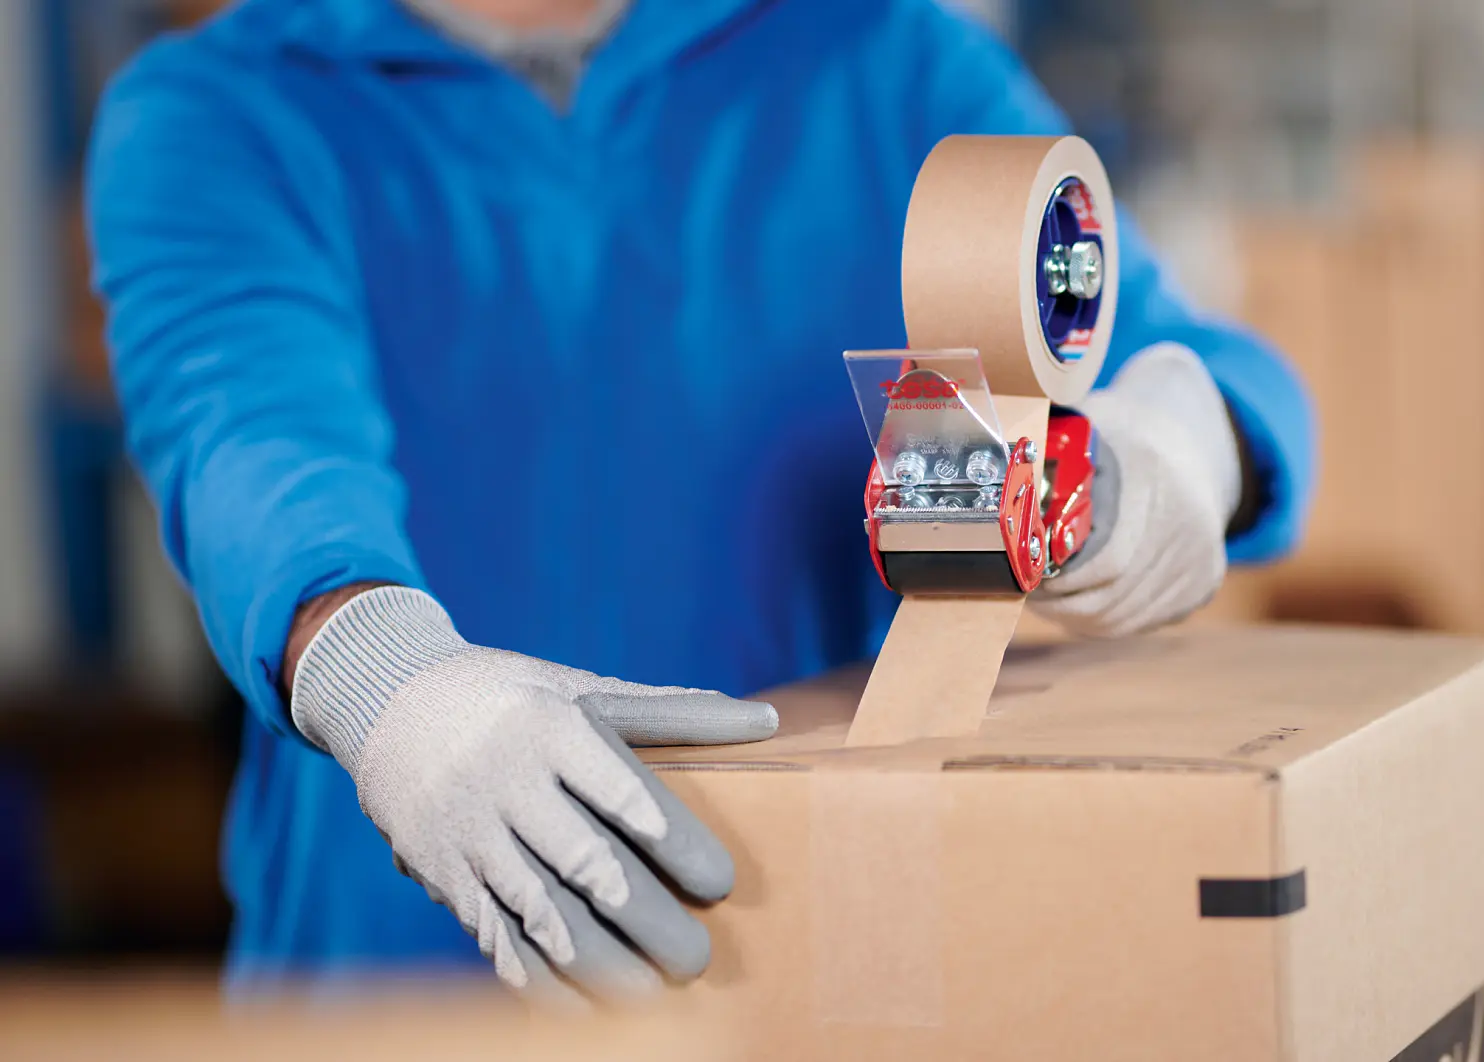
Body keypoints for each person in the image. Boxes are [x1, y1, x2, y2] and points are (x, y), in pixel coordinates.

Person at [87, 0, 1313, 1001]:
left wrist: (1182, 451)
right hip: (401, 987)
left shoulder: (889, 67)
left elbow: (1193, 361)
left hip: (822, 963)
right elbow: (246, 436)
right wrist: (383, 677)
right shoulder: (222, 111)